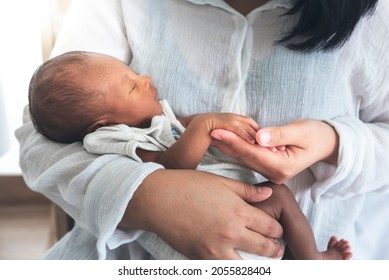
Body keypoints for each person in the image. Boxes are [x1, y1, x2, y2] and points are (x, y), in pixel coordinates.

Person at [16, 0, 389, 260]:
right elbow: (41, 139)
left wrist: (336, 143)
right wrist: (147, 197)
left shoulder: (373, 18)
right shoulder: (109, 128)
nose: (144, 80)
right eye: (132, 84)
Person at [28, 50, 352, 260]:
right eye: (131, 87)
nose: (145, 79)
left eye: (133, 74)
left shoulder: (153, 117)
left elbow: (184, 125)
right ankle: (311, 259)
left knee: (279, 194)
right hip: (194, 220)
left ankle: (310, 258)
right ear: (104, 123)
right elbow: (166, 169)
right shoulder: (113, 137)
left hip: (235, 203)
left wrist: (231, 131)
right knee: (276, 197)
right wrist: (205, 125)